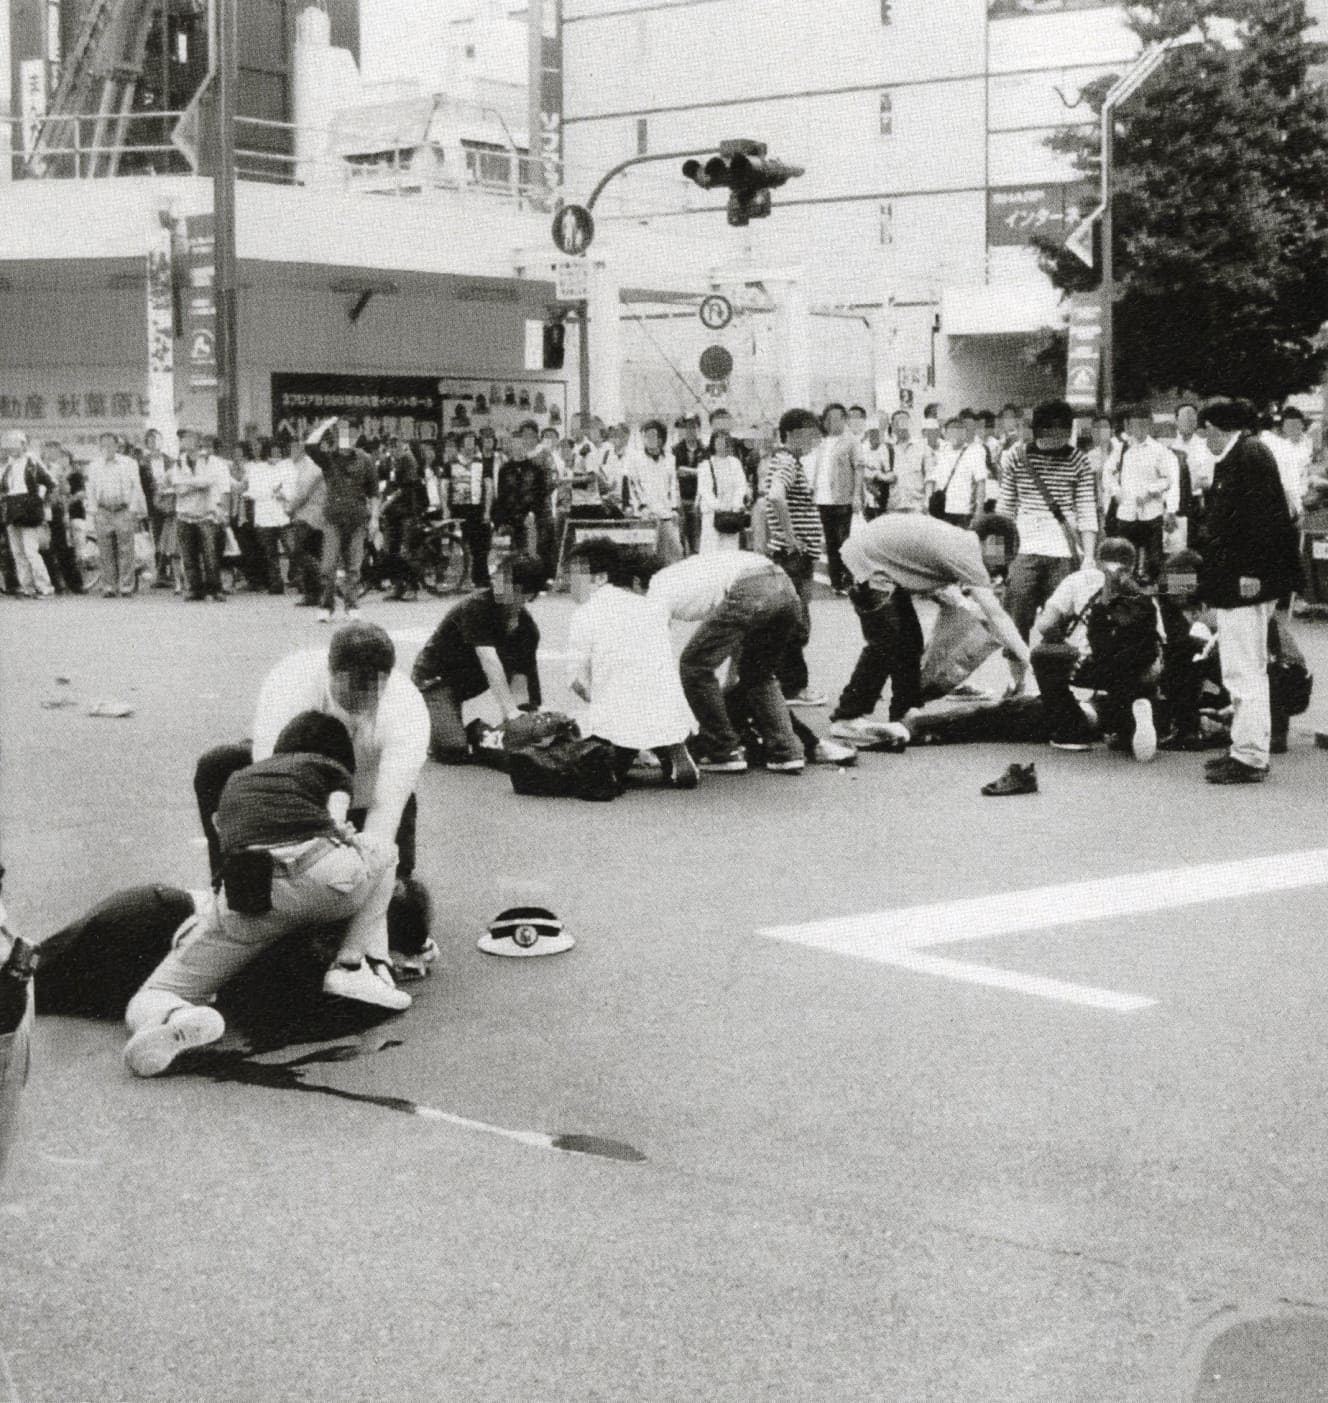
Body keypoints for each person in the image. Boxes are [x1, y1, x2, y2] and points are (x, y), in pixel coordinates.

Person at [122, 711, 409, 1078]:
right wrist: (345, 835)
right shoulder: (329, 768)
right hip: (324, 880)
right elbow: (335, 819)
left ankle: (176, 1014)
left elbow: (224, 838)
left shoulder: (238, 779)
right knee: (384, 851)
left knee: (153, 992)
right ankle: (350, 966)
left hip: (250, 895)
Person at [194, 622, 429, 894]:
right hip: (300, 790)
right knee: (218, 765)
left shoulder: (407, 710)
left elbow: (384, 813)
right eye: (354, 686)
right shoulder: (291, 681)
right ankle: (225, 884)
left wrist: (359, 870)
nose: (364, 696)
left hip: (366, 798)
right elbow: (271, 785)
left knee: (393, 900)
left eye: (374, 687)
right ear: (330, 671)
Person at [827, 514, 1031, 743]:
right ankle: (847, 716)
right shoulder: (969, 553)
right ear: (990, 541)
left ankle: (905, 711)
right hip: (867, 563)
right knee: (886, 642)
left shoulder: (961, 541)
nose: (996, 567)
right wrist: (1029, 658)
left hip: (875, 558)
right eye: (1000, 558)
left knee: (910, 641)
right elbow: (996, 615)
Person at [1194, 400, 1302, 784]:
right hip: (1239, 582)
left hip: (1245, 584)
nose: (1201, 438)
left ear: (1214, 426)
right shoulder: (1242, 454)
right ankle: (1245, 747)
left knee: (1244, 671)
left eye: (1203, 430)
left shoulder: (1248, 457)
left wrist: (1252, 572)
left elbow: (1265, 522)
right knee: (1244, 669)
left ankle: (1250, 756)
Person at [647, 525, 806, 773]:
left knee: (693, 666)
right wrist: (729, 682)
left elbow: (657, 660)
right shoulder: (687, 573)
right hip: (783, 585)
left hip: (750, 587)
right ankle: (787, 751)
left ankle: (723, 751)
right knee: (759, 674)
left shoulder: (654, 590)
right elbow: (738, 639)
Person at [565, 540, 699, 787]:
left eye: (576, 577)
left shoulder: (585, 613)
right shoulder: (653, 608)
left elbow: (576, 681)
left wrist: (598, 700)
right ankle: (672, 748)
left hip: (617, 715)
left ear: (601, 578)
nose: (570, 584)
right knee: (653, 705)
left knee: (603, 725)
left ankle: (618, 757)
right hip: (669, 712)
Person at [1029, 537, 1164, 759]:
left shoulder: (1077, 580)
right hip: (1135, 672)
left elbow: (1044, 625)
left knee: (1043, 655)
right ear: (1132, 564)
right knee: (1130, 672)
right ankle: (1133, 719)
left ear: (1099, 561)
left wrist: (1061, 641)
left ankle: (1070, 729)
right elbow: (1158, 638)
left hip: (1088, 666)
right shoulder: (1141, 590)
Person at [412, 554, 547, 763]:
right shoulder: (477, 606)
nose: (497, 584)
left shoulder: (527, 630)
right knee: (453, 751)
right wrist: (509, 711)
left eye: (507, 583)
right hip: (434, 680)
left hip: (466, 684)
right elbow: (489, 661)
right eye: (499, 578)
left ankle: (463, 727)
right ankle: (429, 718)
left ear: (527, 594)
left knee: (522, 741)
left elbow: (520, 679)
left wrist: (522, 721)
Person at [998, 399, 1099, 639]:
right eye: (1050, 431)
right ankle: (1018, 677)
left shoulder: (1079, 460)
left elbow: (1086, 509)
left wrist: (1089, 556)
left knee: (1061, 624)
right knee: (1015, 620)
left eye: (1063, 431)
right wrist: (995, 557)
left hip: (1063, 551)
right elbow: (1005, 509)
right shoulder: (1016, 456)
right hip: (1024, 548)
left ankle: (1055, 673)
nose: (1057, 438)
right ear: (1038, 430)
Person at [763, 408, 827, 707]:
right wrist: (791, 539)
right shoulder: (787, 461)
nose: (815, 441)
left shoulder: (785, 461)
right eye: (811, 434)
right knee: (795, 622)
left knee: (791, 619)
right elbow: (775, 496)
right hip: (794, 556)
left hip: (794, 554)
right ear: (794, 434)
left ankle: (785, 684)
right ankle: (793, 687)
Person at [1102, 404, 1178, 582]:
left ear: (1149, 425)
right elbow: (1107, 472)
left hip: (1151, 512)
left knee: (1155, 559)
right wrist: (1116, 491)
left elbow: (1168, 479)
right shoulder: (1121, 449)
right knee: (1126, 556)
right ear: (1128, 426)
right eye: (1135, 425)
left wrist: (1152, 490)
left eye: (1143, 424)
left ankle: (1157, 592)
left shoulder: (1159, 450)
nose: (1139, 429)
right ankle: (1129, 592)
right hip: (1127, 513)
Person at [314, 417, 378, 622]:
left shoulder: (365, 460)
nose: (346, 438)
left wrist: (375, 518)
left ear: (357, 435)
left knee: (353, 566)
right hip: (333, 518)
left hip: (358, 518)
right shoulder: (328, 458)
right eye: (341, 434)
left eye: (350, 434)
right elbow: (309, 446)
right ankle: (326, 605)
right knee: (328, 565)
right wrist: (325, 425)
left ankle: (351, 605)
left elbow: (374, 492)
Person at [809, 403, 864, 593]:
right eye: (829, 419)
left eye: (837, 418)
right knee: (831, 542)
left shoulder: (851, 441)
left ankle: (849, 580)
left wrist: (856, 495)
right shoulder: (821, 442)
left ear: (845, 419)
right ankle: (836, 582)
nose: (833, 422)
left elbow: (858, 468)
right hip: (823, 499)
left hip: (843, 499)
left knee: (844, 542)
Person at [85, 431, 147, 597]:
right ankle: (109, 587)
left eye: (110, 444)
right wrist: (93, 513)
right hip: (103, 510)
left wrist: (134, 510)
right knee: (105, 551)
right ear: (99, 447)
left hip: (123, 509)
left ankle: (126, 586)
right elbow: (90, 490)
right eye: (103, 445)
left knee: (126, 550)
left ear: (117, 446)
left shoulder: (129, 463)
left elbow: (136, 487)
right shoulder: (94, 465)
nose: (107, 448)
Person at [169, 429, 228, 602]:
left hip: (207, 515)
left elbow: (209, 481)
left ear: (197, 440)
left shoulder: (211, 461)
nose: (184, 441)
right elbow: (176, 486)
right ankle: (194, 589)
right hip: (185, 514)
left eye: (188, 437)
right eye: (183, 438)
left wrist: (187, 484)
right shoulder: (178, 463)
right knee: (188, 555)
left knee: (210, 555)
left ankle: (215, 588)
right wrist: (195, 484)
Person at [1, 430, 57, 598]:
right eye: (8, 445)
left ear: (23, 445)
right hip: (11, 510)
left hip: (29, 511)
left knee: (31, 552)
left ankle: (45, 588)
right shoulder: (7, 466)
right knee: (18, 553)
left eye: (15, 444)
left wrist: (41, 502)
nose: (11, 448)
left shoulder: (32, 461)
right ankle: (27, 588)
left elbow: (51, 483)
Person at [628, 419, 683, 564]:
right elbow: (633, 486)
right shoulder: (636, 459)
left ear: (661, 439)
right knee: (647, 555)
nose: (649, 439)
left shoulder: (670, 459)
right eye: (646, 436)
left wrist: (674, 508)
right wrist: (642, 507)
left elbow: (673, 486)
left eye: (653, 436)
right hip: (646, 516)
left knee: (674, 553)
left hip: (666, 514)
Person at [244, 438, 295, 595]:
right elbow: (252, 492)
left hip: (283, 515)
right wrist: (272, 491)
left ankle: (299, 580)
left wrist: (283, 493)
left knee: (293, 549)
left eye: (278, 453)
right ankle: (275, 583)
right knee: (270, 553)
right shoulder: (257, 469)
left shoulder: (288, 466)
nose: (275, 456)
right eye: (272, 453)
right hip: (265, 517)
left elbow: (292, 488)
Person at [281, 435, 326, 607]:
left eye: (295, 448)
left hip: (309, 516)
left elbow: (303, 494)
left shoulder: (311, 468)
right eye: (291, 448)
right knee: (312, 552)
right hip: (312, 516)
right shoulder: (304, 467)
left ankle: (325, 581)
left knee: (298, 552)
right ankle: (312, 595)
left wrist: (289, 508)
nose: (291, 451)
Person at [925, 416, 986, 527]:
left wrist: (979, 511)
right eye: (952, 431)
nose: (956, 434)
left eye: (959, 430)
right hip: (942, 510)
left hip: (963, 512)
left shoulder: (974, 452)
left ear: (964, 433)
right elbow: (932, 480)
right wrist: (928, 503)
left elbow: (981, 483)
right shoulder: (942, 453)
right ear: (946, 434)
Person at [697, 428, 749, 553]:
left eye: (724, 441)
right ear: (713, 443)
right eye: (718, 441)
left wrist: (735, 504)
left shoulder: (735, 463)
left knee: (730, 550)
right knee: (711, 550)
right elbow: (705, 490)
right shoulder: (705, 465)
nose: (721, 445)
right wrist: (718, 506)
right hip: (712, 515)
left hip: (731, 515)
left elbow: (741, 485)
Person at [672, 415, 706, 555]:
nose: (690, 430)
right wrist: (697, 472)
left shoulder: (705, 449)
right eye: (687, 427)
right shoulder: (675, 450)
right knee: (679, 538)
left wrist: (687, 471)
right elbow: (675, 472)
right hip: (680, 499)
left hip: (698, 500)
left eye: (693, 426)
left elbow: (706, 474)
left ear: (698, 428)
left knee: (696, 538)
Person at [886, 409, 928, 515]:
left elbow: (929, 477)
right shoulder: (887, 449)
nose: (902, 427)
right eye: (898, 423)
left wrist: (927, 503)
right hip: (894, 507)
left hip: (917, 507)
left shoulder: (922, 447)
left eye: (905, 422)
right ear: (893, 427)